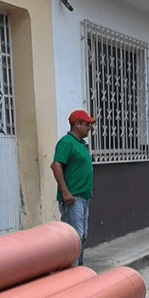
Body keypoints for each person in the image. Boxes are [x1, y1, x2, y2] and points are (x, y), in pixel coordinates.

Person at [51, 109, 96, 266]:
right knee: (74, 237)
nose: (89, 128)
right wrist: (65, 192)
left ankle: (79, 269)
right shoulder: (66, 142)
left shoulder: (81, 144)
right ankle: (72, 270)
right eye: (87, 125)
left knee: (82, 236)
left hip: (83, 197)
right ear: (77, 124)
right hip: (73, 198)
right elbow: (56, 165)